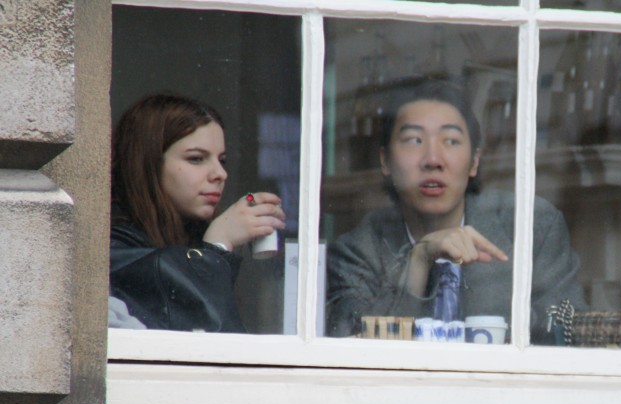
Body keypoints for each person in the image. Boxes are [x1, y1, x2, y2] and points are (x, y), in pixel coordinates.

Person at [326, 79, 586, 342]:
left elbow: (567, 336)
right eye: (414, 140)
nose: (433, 160)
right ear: (386, 161)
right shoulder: (358, 251)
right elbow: (350, 345)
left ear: (474, 162)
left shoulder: (531, 229)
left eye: (451, 141)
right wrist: (419, 262)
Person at [109, 93, 286, 332]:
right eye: (196, 159)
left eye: (222, 160)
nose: (220, 173)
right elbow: (204, 341)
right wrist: (217, 247)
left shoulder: (189, 236)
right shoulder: (112, 248)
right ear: (147, 164)